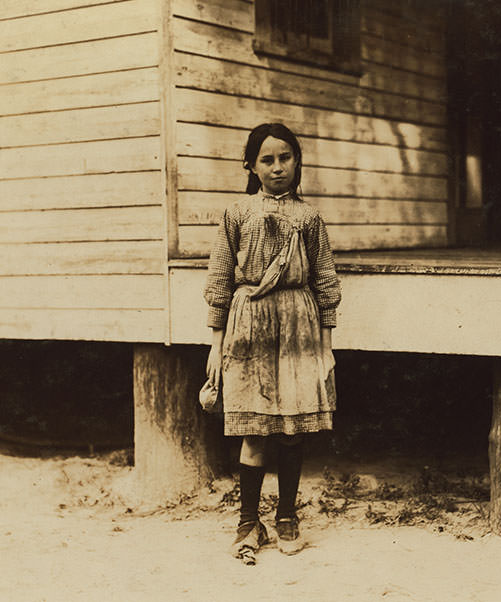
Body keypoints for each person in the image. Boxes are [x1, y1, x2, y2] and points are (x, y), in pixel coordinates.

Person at [204, 123, 341, 564]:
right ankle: (247, 521)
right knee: (253, 426)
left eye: (285, 158)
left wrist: (326, 345)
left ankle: (286, 516)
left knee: (291, 429)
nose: (278, 167)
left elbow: (325, 282)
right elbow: (220, 280)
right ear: (251, 165)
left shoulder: (310, 217)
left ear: (297, 162)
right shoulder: (236, 214)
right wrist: (215, 342)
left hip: (299, 324)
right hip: (249, 325)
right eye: (267, 159)